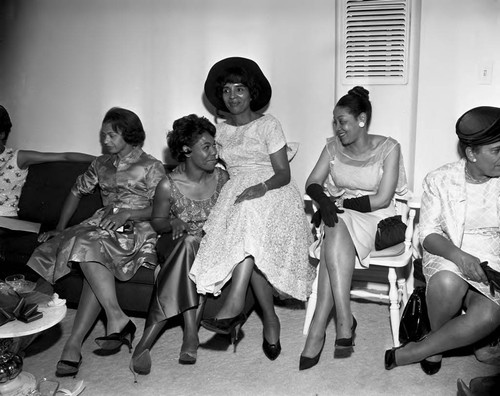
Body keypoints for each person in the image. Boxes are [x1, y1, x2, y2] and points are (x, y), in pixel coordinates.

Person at [189, 57, 315, 361]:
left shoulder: (268, 124)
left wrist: (261, 188)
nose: (233, 97)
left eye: (240, 89)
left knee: (248, 216)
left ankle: (234, 303)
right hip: (238, 191)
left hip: (274, 190)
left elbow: (283, 173)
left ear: (251, 92)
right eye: (228, 91)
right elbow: (203, 161)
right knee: (249, 237)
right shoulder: (219, 131)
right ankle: (270, 319)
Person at [26, 107, 166, 377]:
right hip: (101, 226)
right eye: (103, 135)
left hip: (136, 227)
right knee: (84, 247)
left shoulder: (150, 166)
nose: (105, 141)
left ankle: (75, 342)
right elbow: (76, 191)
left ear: (128, 133)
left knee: (85, 245)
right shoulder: (100, 164)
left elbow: (164, 207)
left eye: (111, 135)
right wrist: (60, 228)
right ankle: (112, 320)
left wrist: (129, 212)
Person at [385, 106, 500, 375]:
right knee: (448, 283)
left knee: (490, 315)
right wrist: (461, 257)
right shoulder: (440, 179)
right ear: (471, 153)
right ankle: (441, 345)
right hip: (448, 250)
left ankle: (422, 349)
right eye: (495, 150)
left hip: (493, 258)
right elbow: (428, 234)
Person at [301, 86, 407, 370]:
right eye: (335, 121)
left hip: (378, 218)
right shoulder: (332, 147)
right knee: (335, 224)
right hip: (341, 216)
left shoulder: (389, 147)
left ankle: (319, 328)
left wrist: (340, 206)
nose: (337, 128)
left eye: (343, 121)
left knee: (335, 223)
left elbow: (383, 198)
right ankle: (343, 320)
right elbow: (312, 182)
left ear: (361, 120)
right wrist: (324, 201)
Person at [130, 114, 229, 378]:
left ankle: (145, 342)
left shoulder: (222, 178)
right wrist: (172, 221)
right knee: (188, 243)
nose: (214, 152)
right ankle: (190, 333)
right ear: (186, 150)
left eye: (213, 145)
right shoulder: (167, 184)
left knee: (193, 245)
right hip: (173, 243)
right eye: (206, 147)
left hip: (211, 245)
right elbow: (157, 221)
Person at [0, 104, 95, 219]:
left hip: (6, 221)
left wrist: (100, 159)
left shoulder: (17, 157)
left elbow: (64, 157)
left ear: (2, 134)